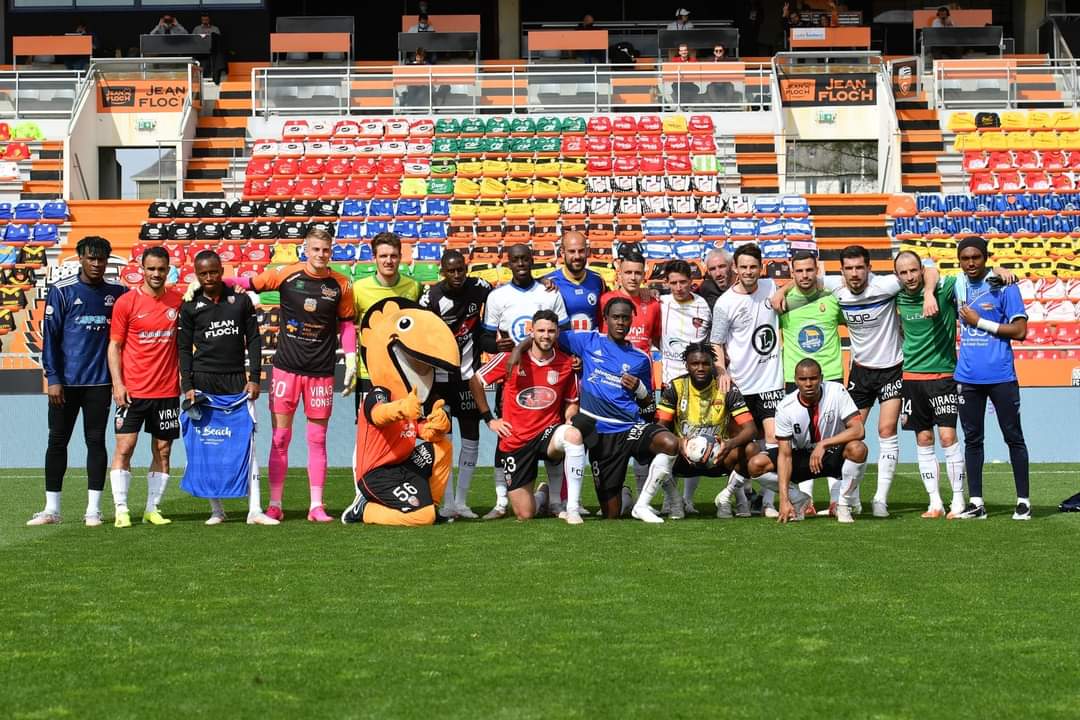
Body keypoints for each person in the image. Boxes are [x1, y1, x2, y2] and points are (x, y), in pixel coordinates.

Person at [210, 228, 356, 523]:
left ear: (331, 251)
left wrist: (351, 357)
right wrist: (208, 282)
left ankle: (316, 505)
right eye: (315, 249)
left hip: (320, 373)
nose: (320, 255)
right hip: (285, 370)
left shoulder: (341, 284)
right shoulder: (286, 274)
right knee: (280, 438)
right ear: (306, 249)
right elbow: (247, 282)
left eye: (325, 250)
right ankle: (275, 503)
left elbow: (347, 324)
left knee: (317, 438)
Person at [820, 245, 939, 518]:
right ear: (842, 272)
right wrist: (780, 291)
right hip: (861, 372)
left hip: (892, 369)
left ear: (869, 268)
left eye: (860, 267)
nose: (855, 273)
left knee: (887, 431)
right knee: (850, 433)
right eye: (849, 268)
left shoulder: (886, 285)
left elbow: (929, 269)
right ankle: (849, 497)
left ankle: (880, 499)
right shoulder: (835, 288)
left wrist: (930, 291)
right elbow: (802, 280)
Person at [557, 297, 683, 523]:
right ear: (605, 319)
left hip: (629, 427)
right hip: (600, 433)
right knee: (611, 514)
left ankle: (644, 505)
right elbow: (548, 337)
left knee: (670, 443)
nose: (621, 322)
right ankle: (624, 495)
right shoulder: (588, 342)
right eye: (616, 317)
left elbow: (648, 407)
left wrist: (641, 389)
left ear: (631, 321)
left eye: (626, 317)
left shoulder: (641, 359)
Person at [29, 236, 126, 527]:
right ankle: (51, 509)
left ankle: (93, 510)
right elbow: (51, 338)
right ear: (80, 258)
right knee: (57, 441)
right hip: (66, 384)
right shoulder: (62, 291)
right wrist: (54, 377)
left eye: (101, 258)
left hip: (99, 383)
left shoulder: (118, 293)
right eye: (91, 258)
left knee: (95, 442)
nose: (96, 263)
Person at [177, 250, 276, 526]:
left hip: (236, 381)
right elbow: (184, 349)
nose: (210, 278)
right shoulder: (189, 306)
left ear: (222, 270)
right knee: (209, 447)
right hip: (203, 383)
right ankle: (217, 509)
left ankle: (255, 509)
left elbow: (254, 340)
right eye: (204, 273)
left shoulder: (240, 301)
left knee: (247, 444)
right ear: (196, 275)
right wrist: (187, 385)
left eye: (214, 272)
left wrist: (254, 377)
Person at [479, 243, 569, 519]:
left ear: (532, 260)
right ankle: (501, 502)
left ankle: (555, 500)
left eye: (525, 259)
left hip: (545, 374)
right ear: (508, 263)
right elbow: (484, 338)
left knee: (555, 434)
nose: (520, 264)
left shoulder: (548, 291)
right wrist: (502, 347)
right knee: (505, 436)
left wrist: (522, 346)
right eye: (515, 260)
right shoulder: (497, 296)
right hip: (513, 375)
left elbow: (560, 332)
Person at [471, 310, 587, 524]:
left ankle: (570, 508)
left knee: (572, 436)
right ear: (531, 331)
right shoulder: (510, 359)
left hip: (547, 433)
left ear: (558, 333)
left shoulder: (566, 364)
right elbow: (476, 381)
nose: (546, 335)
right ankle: (542, 495)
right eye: (541, 330)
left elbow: (572, 402)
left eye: (551, 331)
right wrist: (490, 419)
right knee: (525, 514)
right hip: (516, 440)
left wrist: (570, 419)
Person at [953, 237, 1031, 520]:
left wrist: (979, 322)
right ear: (959, 260)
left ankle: (1023, 501)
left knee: (1013, 437)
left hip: (1001, 375)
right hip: (967, 377)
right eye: (965, 258)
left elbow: (1020, 331)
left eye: (976, 257)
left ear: (986, 257)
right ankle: (976, 503)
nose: (971, 262)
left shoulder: (1005, 286)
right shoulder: (958, 286)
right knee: (973, 440)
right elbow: (927, 273)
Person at [107, 246, 184, 528]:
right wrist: (118, 383)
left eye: (161, 269)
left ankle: (152, 508)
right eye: (150, 268)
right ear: (142, 268)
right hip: (133, 392)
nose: (156, 274)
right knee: (125, 448)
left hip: (166, 393)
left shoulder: (177, 302)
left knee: (163, 451)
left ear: (168, 270)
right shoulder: (126, 303)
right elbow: (114, 346)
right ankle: (121, 509)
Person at [711, 243, 785, 516]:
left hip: (771, 382)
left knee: (774, 440)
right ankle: (734, 496)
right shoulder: (725, 303)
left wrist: (785, 289)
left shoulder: (771, 286)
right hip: (741, 384)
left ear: (761, 267)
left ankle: (767, 503)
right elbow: (716, 342)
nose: (748, 271)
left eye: (753, 266)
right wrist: (721, 371)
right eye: (743, 267)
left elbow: (790, 290)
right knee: (745, 445)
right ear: (735, 269)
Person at [748, 359, 868, 524]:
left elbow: (858, 430)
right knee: (756, 464)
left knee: (858, 449)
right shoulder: (785, 407)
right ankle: (799, 499)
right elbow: (785, 455)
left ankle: (843, 504)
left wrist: (824, 444)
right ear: (795, 380)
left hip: (831, 454)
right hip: (801, 457)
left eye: (813, 378)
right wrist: (784, 500)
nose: (809, 383)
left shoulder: (837, 391)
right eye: (803, 379)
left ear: (821, 378)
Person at [893, 251, 967, 520]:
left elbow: (936, 271)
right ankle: (935, 502)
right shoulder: (897, 296)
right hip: (912, 378)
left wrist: (928, 293)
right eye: (903, 273)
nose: (909, 277)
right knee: (923, 439)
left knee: (948, 438)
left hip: (944, 376)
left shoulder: (942, 289)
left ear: (921, 271)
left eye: (914, 270)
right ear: (897, 275)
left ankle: (958, 500)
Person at [419, 249, 492, 520]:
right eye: (452, 270)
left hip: (468, 377)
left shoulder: (480, 287)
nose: (458, 275)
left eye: (461, 269)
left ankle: (462, 501)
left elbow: (503, 299)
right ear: (443, 272)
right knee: (444, 439)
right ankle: (447, 501)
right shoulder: (432, 297)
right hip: (438, 380)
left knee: (471, 437)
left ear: (467, 268)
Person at [657, 342, 759, 519]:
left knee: (752, 449)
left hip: (718, 457)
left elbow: (751, 429)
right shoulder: (675, 387)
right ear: (687, 365)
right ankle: (674, 499)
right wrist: (678, 442)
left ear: (713, 364)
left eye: (705, 363)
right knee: (652, 446)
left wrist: (729, 444)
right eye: (695, 364)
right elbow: (660, 428)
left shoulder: (726, 387)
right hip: (683, 459)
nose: (701, 368)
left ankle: (726, 497)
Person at [599, 245, 662, 506]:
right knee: (611, 438)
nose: (633, 277)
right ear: (619, 273)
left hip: (641, 381)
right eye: (628, 272)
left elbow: (656, 340)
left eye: (638, 272)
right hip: (611, 382)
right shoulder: (606, 300)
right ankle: (619, 489)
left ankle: (640, 497)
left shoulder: (654, 304)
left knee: (643, 436)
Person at [659, 260, 712, 513]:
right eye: (674, 283)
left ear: (691, 281)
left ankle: (688, 500)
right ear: (666, 283)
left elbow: (703, 346)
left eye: (683, 282)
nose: (679, 287)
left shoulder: (702, 306)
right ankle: (671, 499)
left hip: (696, 386)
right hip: (669, 384)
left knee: (695, 439)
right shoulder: (660, 303)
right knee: (669, 442)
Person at [352, 232, 421, 407]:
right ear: (374, 258)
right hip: (369, 373)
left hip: (403, 372)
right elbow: (348, 325)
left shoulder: (414, 287)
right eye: (383, 256)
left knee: (405, 430)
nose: (388, 261)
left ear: (400, 257)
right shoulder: (359, 289)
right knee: (369, 431)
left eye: (393, 256)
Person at [545, 230, 606, 333]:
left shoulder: (598, 280)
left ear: (587, 251)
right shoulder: (549, 282)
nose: (577, 256)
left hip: (591, 347)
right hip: (562, 347)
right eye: (572, 251)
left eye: (581, 251)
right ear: (562, 253)